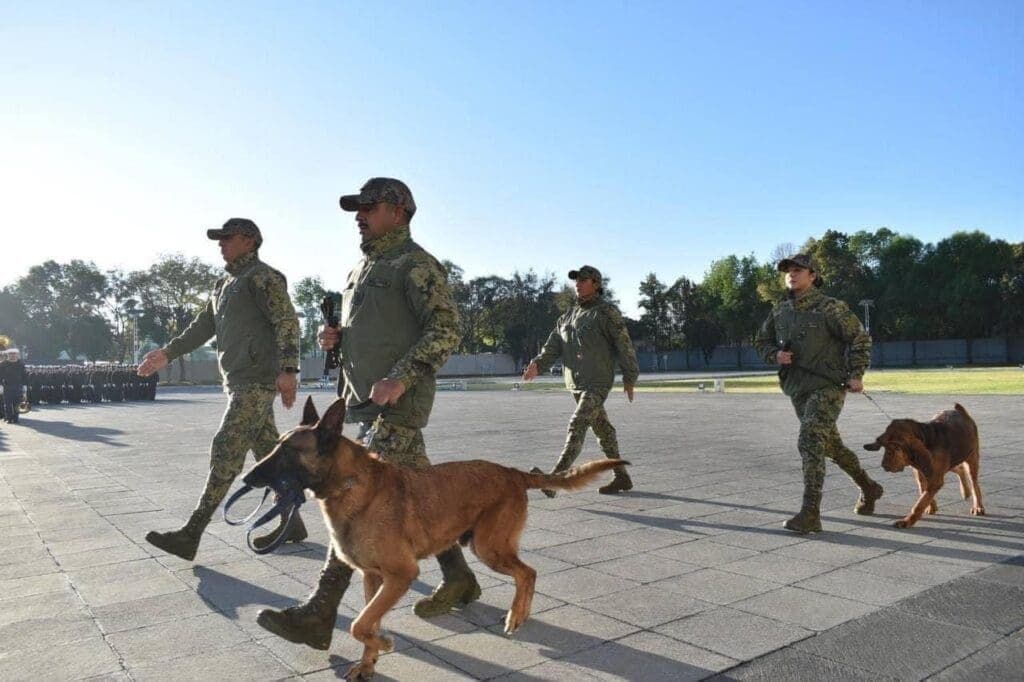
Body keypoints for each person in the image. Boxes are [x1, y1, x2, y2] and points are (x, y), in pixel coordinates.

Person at [256, 177, 480, 650]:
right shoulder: (365, 266)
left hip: (396, 405)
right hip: (365, 403)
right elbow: (379, 329)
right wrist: (337, 340)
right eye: (357, 208)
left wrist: (401, 375)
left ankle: (320, 614)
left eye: (369, 206)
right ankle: (459, 577)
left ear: (398, 212)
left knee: (353, 502)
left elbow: (446, 327)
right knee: (416, 500)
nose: (359, 214)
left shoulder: (416, 265)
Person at [138, 218, 302, 559]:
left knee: (227, 448)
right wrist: (167, 353)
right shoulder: (223, 284)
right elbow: (202, 327)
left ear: (250, 241)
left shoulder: (263, 277)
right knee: (268, 453)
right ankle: (292, 520)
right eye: (219, 238)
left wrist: (288, 369)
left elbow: (286, 322)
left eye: (227, 238)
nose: (220, 244)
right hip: (238, 380)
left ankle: (191, 533)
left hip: (256, 381)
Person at [754, 253, 884, 534]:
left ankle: (810, 513)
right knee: (831, 447)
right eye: (788, 270)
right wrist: (775, 355)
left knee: (810, 441)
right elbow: (761, 341)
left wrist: (856, 374)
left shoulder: (830, 308)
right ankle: (869, 487)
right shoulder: (779, 311)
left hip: (828, 387)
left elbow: (859, 338)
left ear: (813, 275)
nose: (792, 274)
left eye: (799, 270)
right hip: (797, 388)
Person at [522, 265, 639, 495]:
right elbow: (552, 347)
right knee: (603, 431)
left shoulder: (606, 312)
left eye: (583, 279)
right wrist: (537, 365)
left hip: (597, 382)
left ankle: (553, 481)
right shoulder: (567, 317)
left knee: (577, 424)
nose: (578, 283)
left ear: (596, 284)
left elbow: (624, 345)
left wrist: (629, 375)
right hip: (575, 383)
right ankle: (622, 477)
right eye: (576, 280)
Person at [1, 349, 27, 424]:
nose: (12, 355)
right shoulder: (3, 364)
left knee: (17, 403)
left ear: (17, 355)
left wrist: (25, 386)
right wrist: (0, 386)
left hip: (18, 386)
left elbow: (24, 376)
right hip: (7, 386)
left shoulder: (21, 364)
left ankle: (16, 418)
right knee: (7, 404)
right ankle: (9, 418)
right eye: (11, 354)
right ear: (8, 355)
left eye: (14, 354)